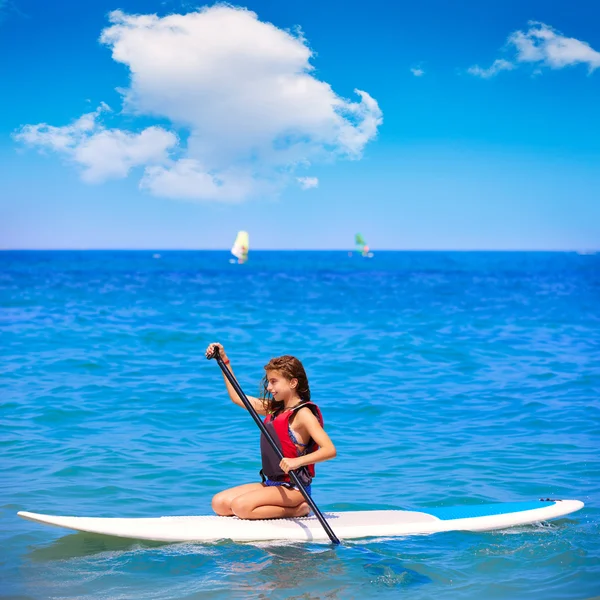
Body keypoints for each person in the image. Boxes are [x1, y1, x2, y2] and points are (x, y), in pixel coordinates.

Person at [205, 343, 336, 520]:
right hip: (273, 483)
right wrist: (224, 361)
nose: (268, 387)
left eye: (274, 381)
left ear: (293, 383)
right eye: (268, 381)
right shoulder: (274, 410)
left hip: (295, 489)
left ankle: (299, 510)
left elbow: (330, 450)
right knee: (219, 503)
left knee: (241, 507)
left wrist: (296, 461)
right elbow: (238, 397)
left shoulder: (303, 414)